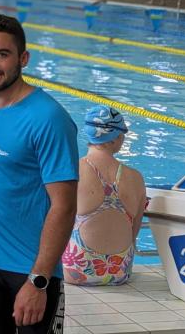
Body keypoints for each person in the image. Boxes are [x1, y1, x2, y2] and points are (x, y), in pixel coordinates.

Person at [0, 14, 78, 334]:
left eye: (2, 54)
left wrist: (38, 281)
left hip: (30, 271)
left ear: (23, 58)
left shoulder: (49, 118)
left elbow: (65, 206)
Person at [62, 106, 146, 286]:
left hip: (76, 270)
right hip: (120, 271)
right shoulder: (136, 178)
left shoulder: (72, 170)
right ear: (117, 138)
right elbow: (134, 231)